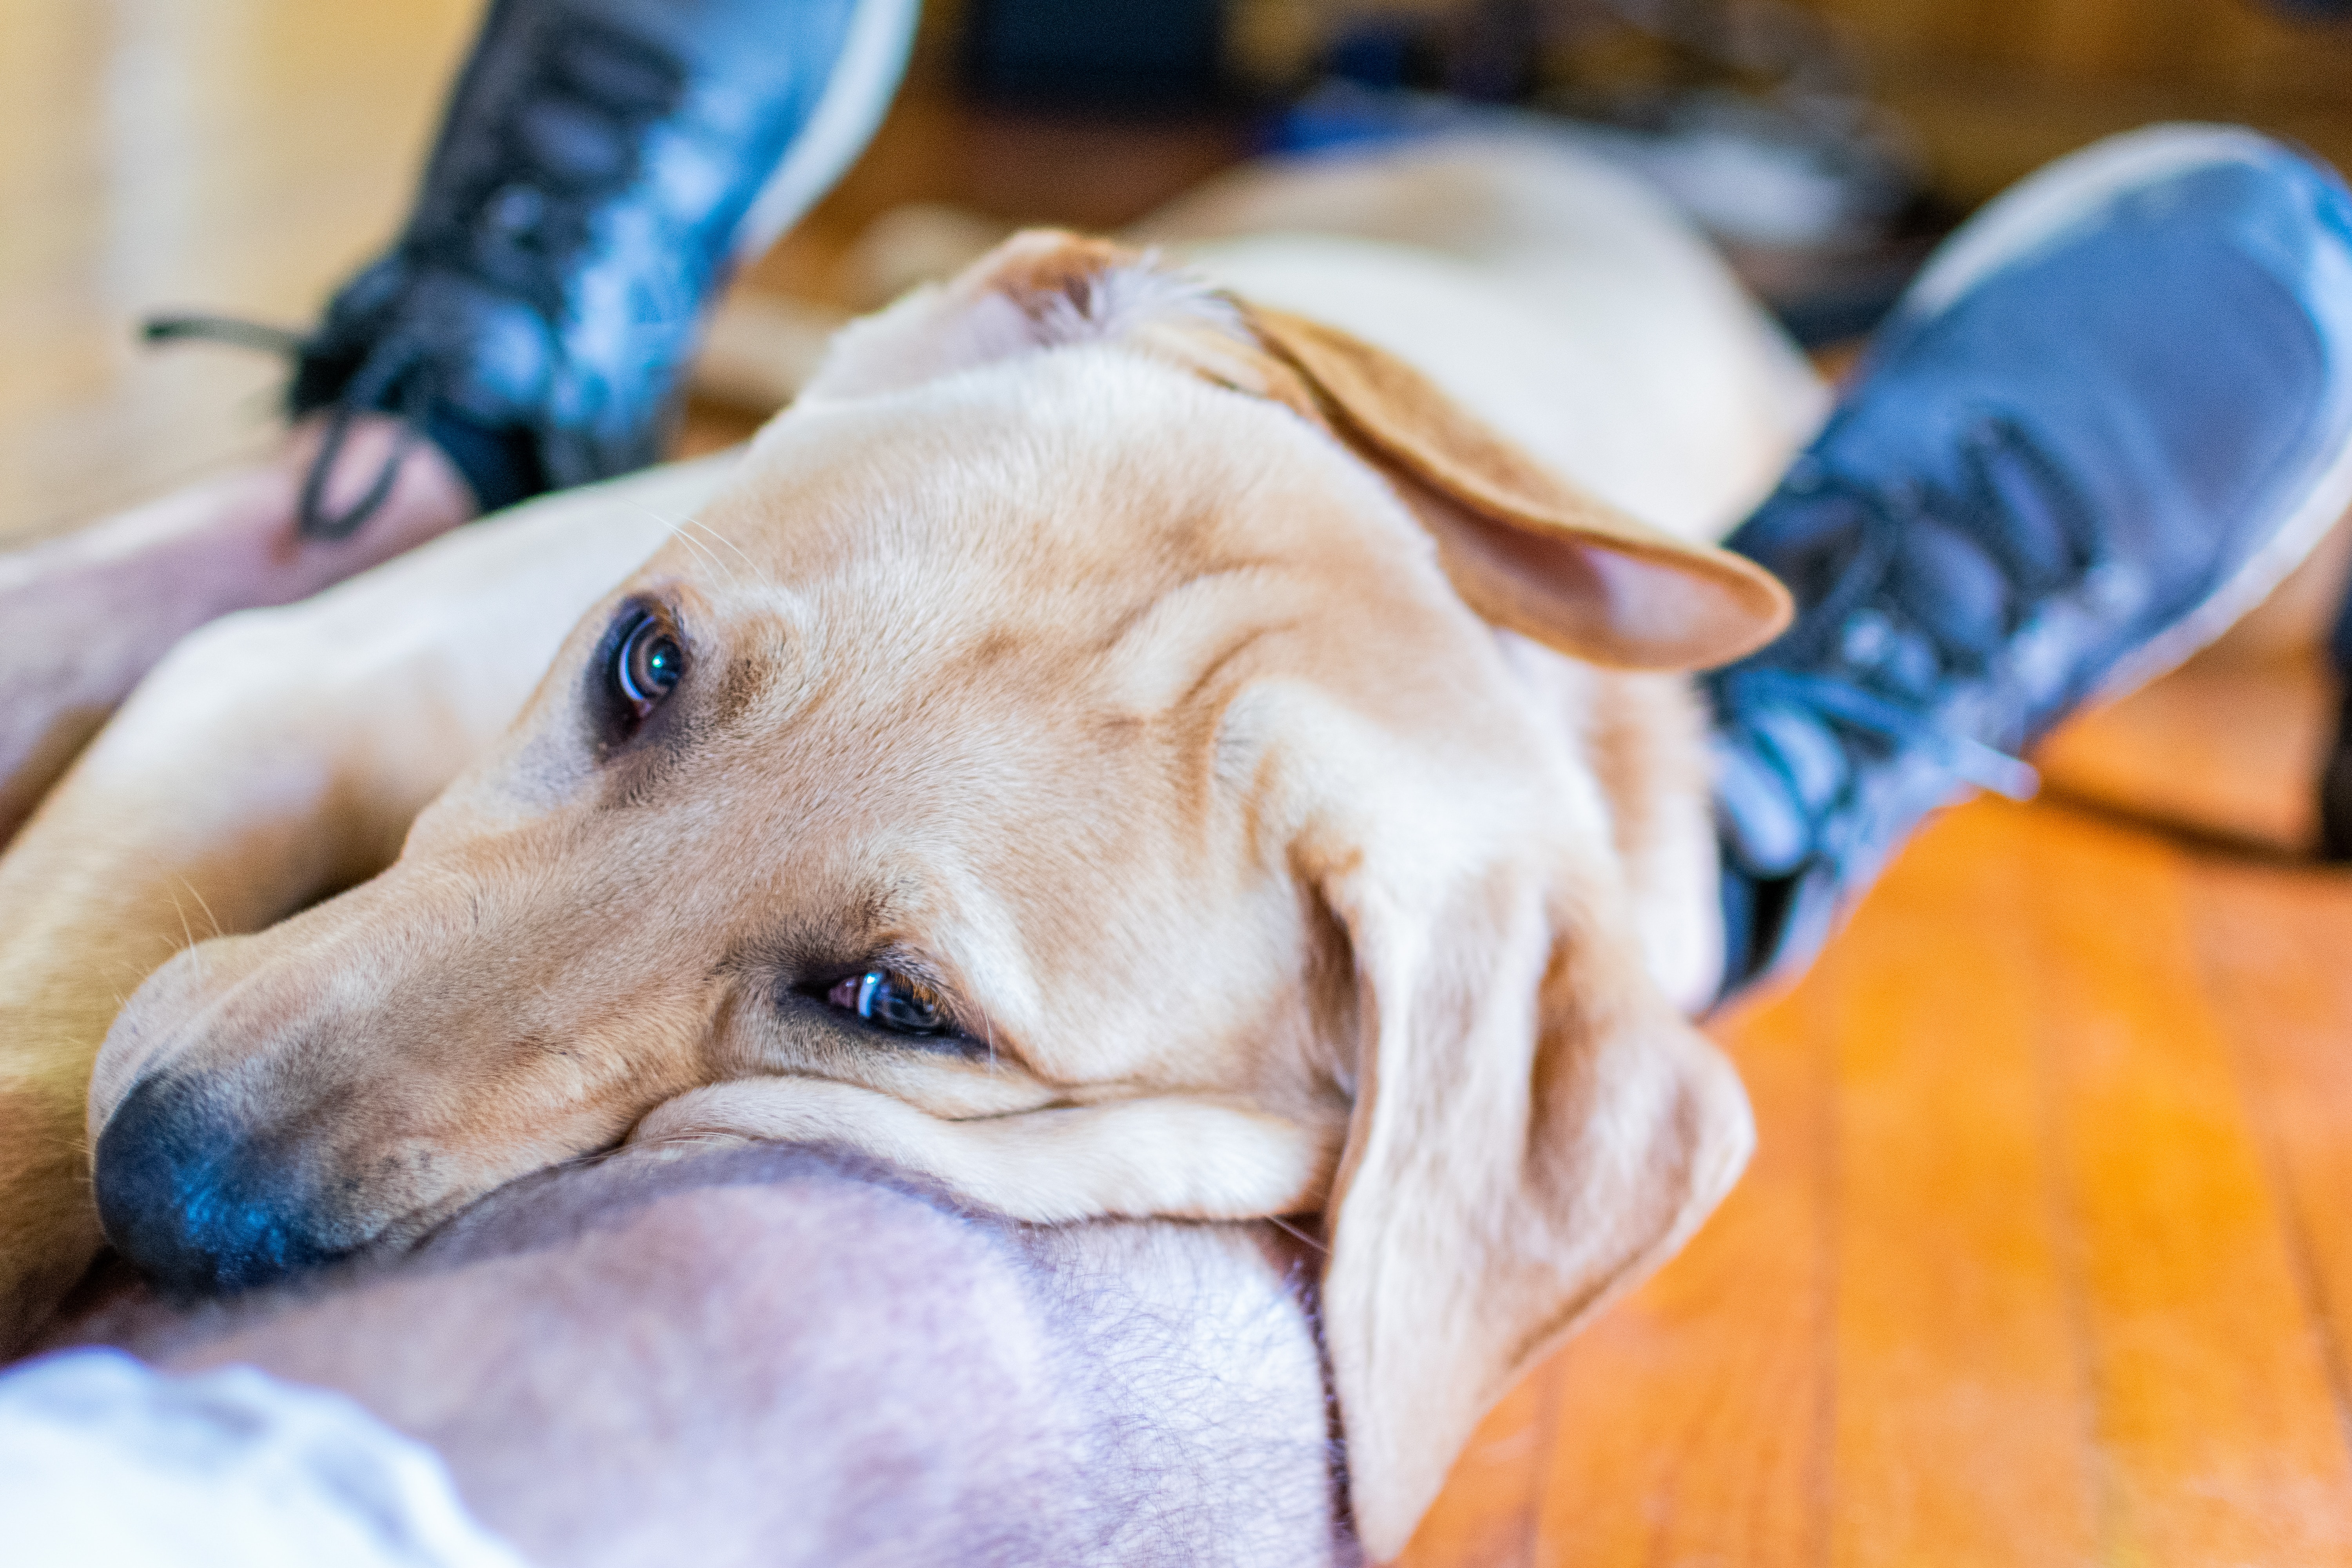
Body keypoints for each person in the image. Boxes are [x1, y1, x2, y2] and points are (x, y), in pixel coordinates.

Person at [2, 0, 2350, 1561]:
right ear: (954, 349)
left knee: (1447, 1134)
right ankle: (441, 450)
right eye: (642, 679)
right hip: (1255, 282)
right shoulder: (1006, 441)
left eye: (882, 995)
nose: (237, 1102)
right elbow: (263, 715)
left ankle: (1677, 862)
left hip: (1627, 314)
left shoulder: (1371, 925)